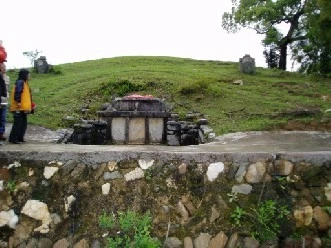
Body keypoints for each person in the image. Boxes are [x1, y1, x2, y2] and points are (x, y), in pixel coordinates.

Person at [9, 69, 32, 144]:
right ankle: (13, 139)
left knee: (23, 124)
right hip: (19, 107)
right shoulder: (20, 82)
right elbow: (17, 92)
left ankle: (20, 138)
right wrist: (18, 102)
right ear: (24, 75)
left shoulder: (25, 83)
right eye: (28, 74)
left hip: (23, 108)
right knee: (18, 124)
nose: (29, 76)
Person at [0, 63, 10, 140]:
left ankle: (1, 133)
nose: (4, 69)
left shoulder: (7, 78)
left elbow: (7, 89)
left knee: (3, 117)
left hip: (4, 100)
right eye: (2, 68)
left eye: (5, 68)